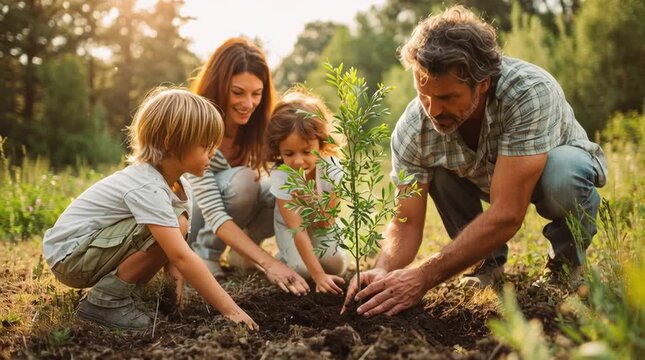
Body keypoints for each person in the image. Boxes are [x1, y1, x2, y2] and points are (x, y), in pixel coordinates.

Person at [341, 5, 608, 317]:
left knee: (564, 176)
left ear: (483, 84)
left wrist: (423, 276)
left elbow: (508, 213)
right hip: (482, 177)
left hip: (551, 168)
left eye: (447, 98)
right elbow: (406, 221)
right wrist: (383, 269)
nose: (433, 110)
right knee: (436, 169)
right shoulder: (413, 130)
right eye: (424, 96)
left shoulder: (528, 92)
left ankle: (564, 268)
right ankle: (486, 266)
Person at [42, 88, 258, 330]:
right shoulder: (148, 185)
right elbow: (180, 256)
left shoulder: (179, 184)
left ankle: (125, 296)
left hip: (90, 249)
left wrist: (175, 306)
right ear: (171, 143)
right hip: (71, 256)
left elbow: (175, 255)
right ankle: (107, 301)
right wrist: (231, 310)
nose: (213, 153)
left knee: (179, 224)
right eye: (205, 145)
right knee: (177, 223)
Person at [188, 37, 309, 295]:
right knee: (245, 180)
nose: (248, 104)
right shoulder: (197, 126)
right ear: (219, 87)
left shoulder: (256, 127)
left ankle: (242, 255)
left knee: (279, 188)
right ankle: (204, 254)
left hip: (225, 217)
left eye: (256, 93)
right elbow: (214, 213)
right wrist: (269, 263)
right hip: (190, 220)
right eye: (238, 92)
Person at [265, 89, 349, 295]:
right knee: (301, 270)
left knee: (335, 264)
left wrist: (311, 200)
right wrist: (318, 276)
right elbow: (298, 229)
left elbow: (325, 221)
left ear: (321, 144)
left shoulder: (332, 170)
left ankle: (323, 256)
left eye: (306, 151)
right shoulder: (282, 176)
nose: (298, 161)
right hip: (291, 227)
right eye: (289, 153)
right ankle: (283, 257)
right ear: (278, 150)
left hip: (321, 222)